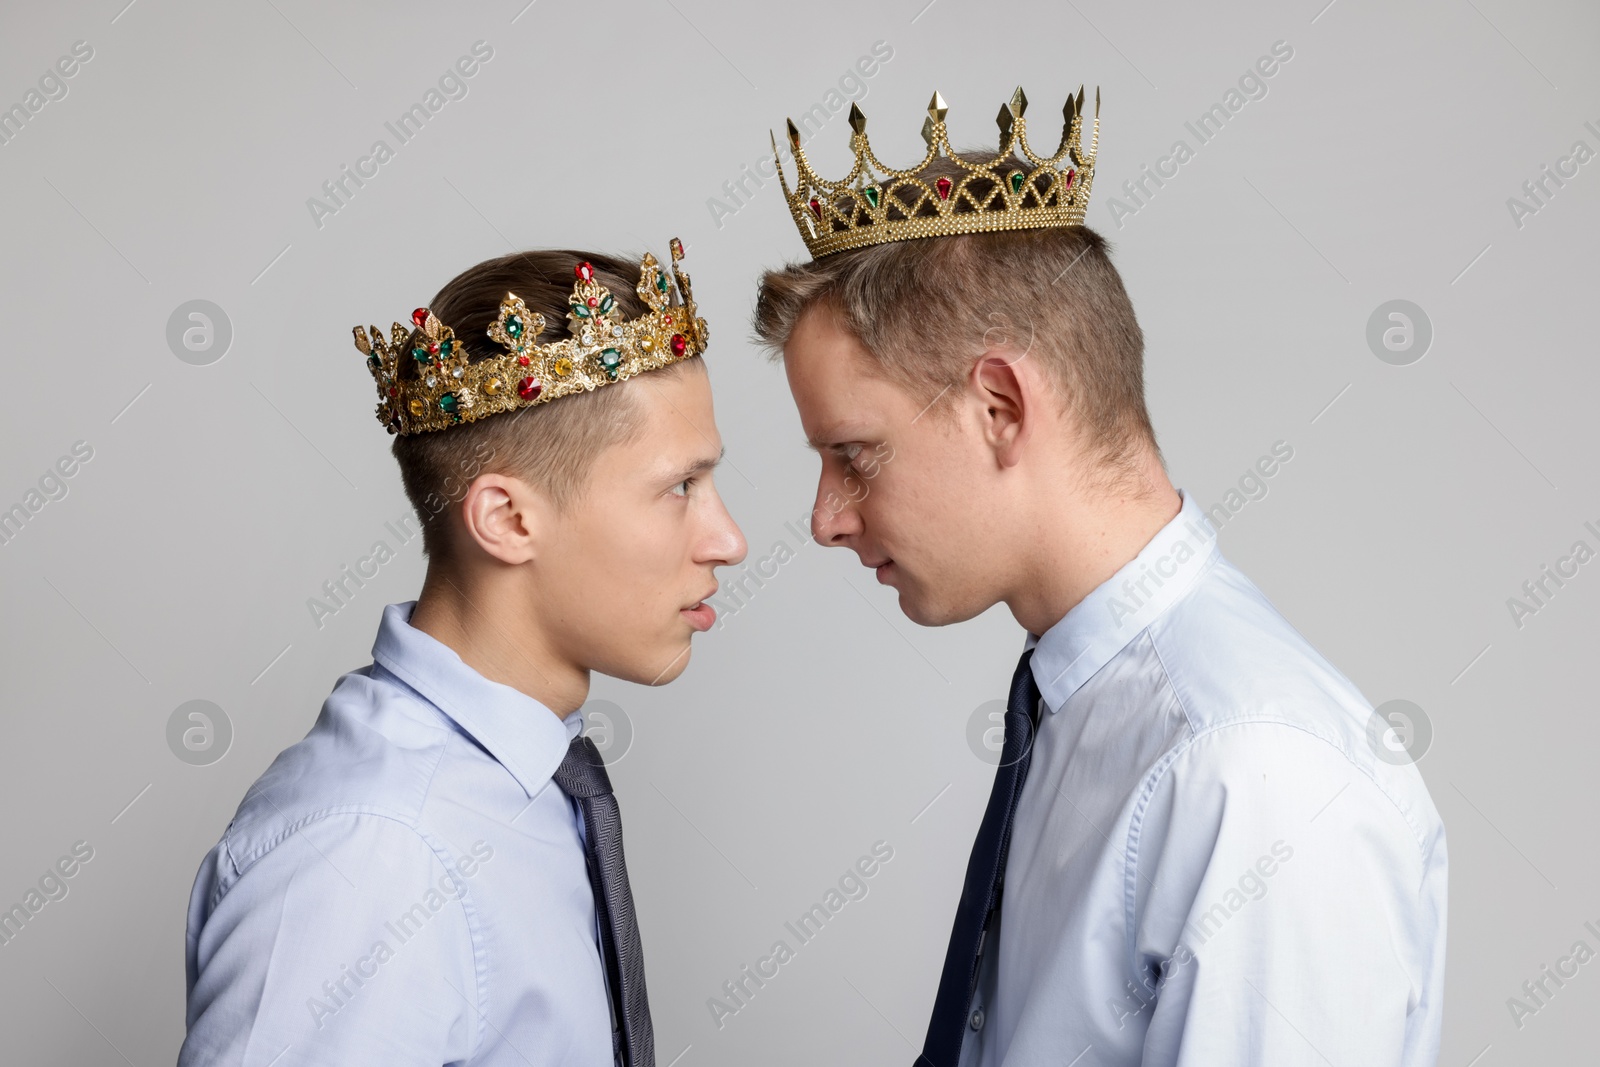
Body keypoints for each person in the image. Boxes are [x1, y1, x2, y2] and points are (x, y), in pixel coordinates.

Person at [754, 89, 1447, 1065]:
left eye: (855, 454)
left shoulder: (1249, 775)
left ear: (998, 405)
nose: (825, 517)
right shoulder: (1082, 702)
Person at [180, 241, 746, 1066]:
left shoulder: (528, 780)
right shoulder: (369, 858)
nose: (728, 539)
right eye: (679, 487)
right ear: (508, 521)